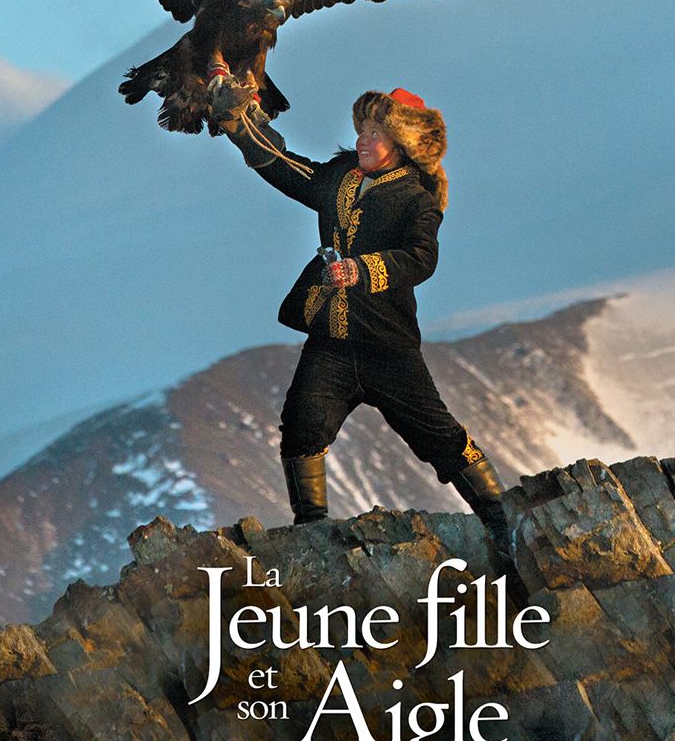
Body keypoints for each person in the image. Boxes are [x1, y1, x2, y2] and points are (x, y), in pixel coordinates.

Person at [213, 81, 514, 562]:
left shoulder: (417, 199)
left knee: (440, 437)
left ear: (403, 141)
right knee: (301, 425)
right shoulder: (339, 177)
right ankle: (311, 533)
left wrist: (363, 270)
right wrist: (240, 127)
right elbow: (289, 168)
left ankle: (504, 527)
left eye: (375, 132)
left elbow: (422, 259)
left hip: (388, 347)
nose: (362, 139)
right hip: (331, 341)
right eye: (362, 129)